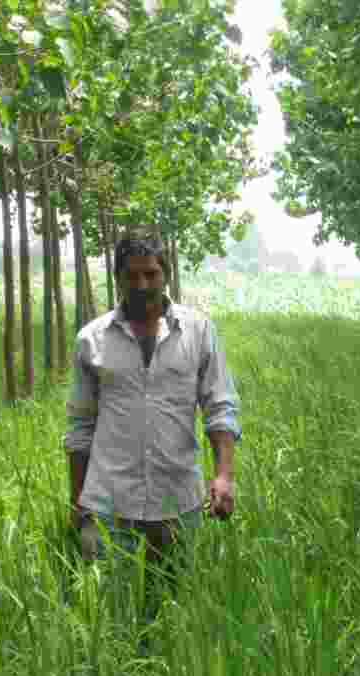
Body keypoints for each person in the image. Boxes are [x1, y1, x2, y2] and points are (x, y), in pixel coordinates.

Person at [63, 226, 242, 591]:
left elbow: (219, 406)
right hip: (108, 502)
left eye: (151, 273)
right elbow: (81, 427)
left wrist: (224, 475)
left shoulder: (198, 331)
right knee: (111, 613)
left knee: (175, 609)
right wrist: (77, 501)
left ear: (166, 274)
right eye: (131, 275)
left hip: (177, 498)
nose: (142, 284)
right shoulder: (91, 340)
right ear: (117, 278)